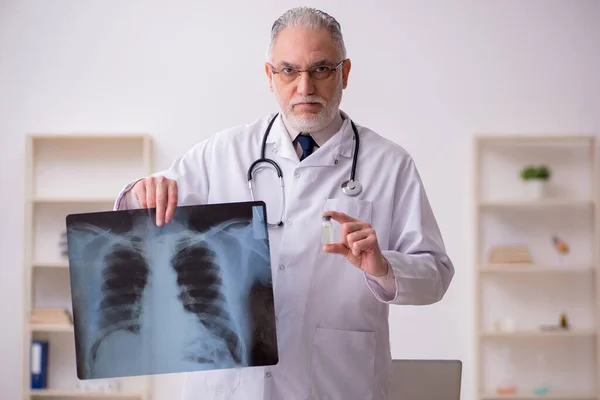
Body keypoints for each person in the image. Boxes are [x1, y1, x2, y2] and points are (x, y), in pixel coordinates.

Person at [113, 6, 454, 400]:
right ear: (269, 77)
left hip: (337, 383)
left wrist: (383, 268)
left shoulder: (389, 165)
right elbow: (136, 221)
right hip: (228, 387)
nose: (304, 86)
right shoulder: (223, 153)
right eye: (289, 70)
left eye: (321, 69)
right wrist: (142, 192)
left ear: (344, 73)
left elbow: (436, 274)